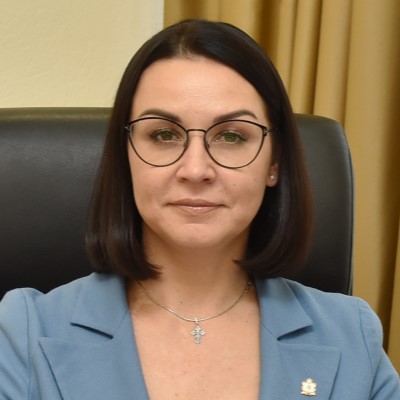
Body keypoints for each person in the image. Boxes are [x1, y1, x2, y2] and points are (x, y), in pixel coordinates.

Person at [0, 19, 399, 400]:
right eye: (163, 134)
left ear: (274, 163)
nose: (195, 170)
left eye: (231, 136)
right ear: (126, 156)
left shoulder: (351, 335)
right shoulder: (25, 331)